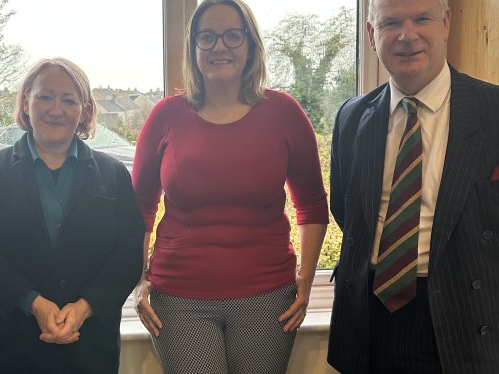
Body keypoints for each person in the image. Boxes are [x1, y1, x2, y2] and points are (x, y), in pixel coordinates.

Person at [131, 1, 329, 373]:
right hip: (179, 298)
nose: (219, 46)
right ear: (193, 48)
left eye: (232, 36)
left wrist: (306, 279)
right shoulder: (166, 116)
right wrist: (138, 280)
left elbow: (313, 205)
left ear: (251, 44)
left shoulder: (284, 112)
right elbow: (139, 208)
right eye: (207, 37)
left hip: (268, 297)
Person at [327, 0, 499, 372]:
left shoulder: (494, 110)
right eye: (391, 23)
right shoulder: (351, 117)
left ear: (446, 23)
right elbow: (345, 209)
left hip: (466, 317)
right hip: (368, 321)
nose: (408, 35)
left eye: (422, 18)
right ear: (372, 35)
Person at [0, 57, 144, 374]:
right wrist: (34, 303)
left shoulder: (113, 174)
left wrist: (84, 308)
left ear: (84, 111)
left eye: (69, 100)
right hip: (12, 347)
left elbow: (127, 254)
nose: (56, 109)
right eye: (45, 96)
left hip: (92, 348)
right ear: (26, 101)